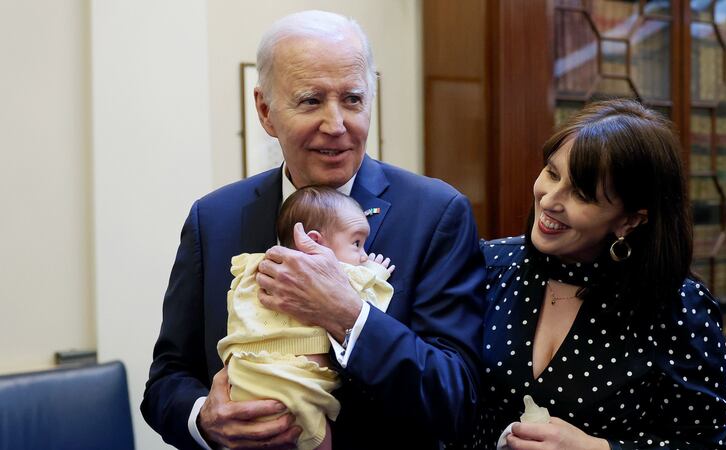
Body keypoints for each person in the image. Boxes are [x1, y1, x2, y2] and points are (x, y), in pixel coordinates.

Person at [140, 9, 485, 450]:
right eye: (311, 100)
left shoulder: (436, 215)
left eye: (353, 100)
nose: (337, 125)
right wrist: (204, 419)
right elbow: (167, 378)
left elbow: (458, 399)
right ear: (265, 111)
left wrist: (347, 315)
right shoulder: (214, 219)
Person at [454, 99, 726, 449]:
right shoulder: (489, 266)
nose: (550, 199)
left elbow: (704, 443)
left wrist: (597, 448)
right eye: (552, 174)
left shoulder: (679, 308)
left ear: (630, 220)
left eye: (582, 194)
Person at [217, 186, 395, 450]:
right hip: (296, 388)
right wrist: (375, 274)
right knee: (319, 440)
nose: (363, 255)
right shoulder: (337, 274)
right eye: (356, 243)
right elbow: (366, 307)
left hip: (244, 383)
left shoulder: (253, 269)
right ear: (314, 242)